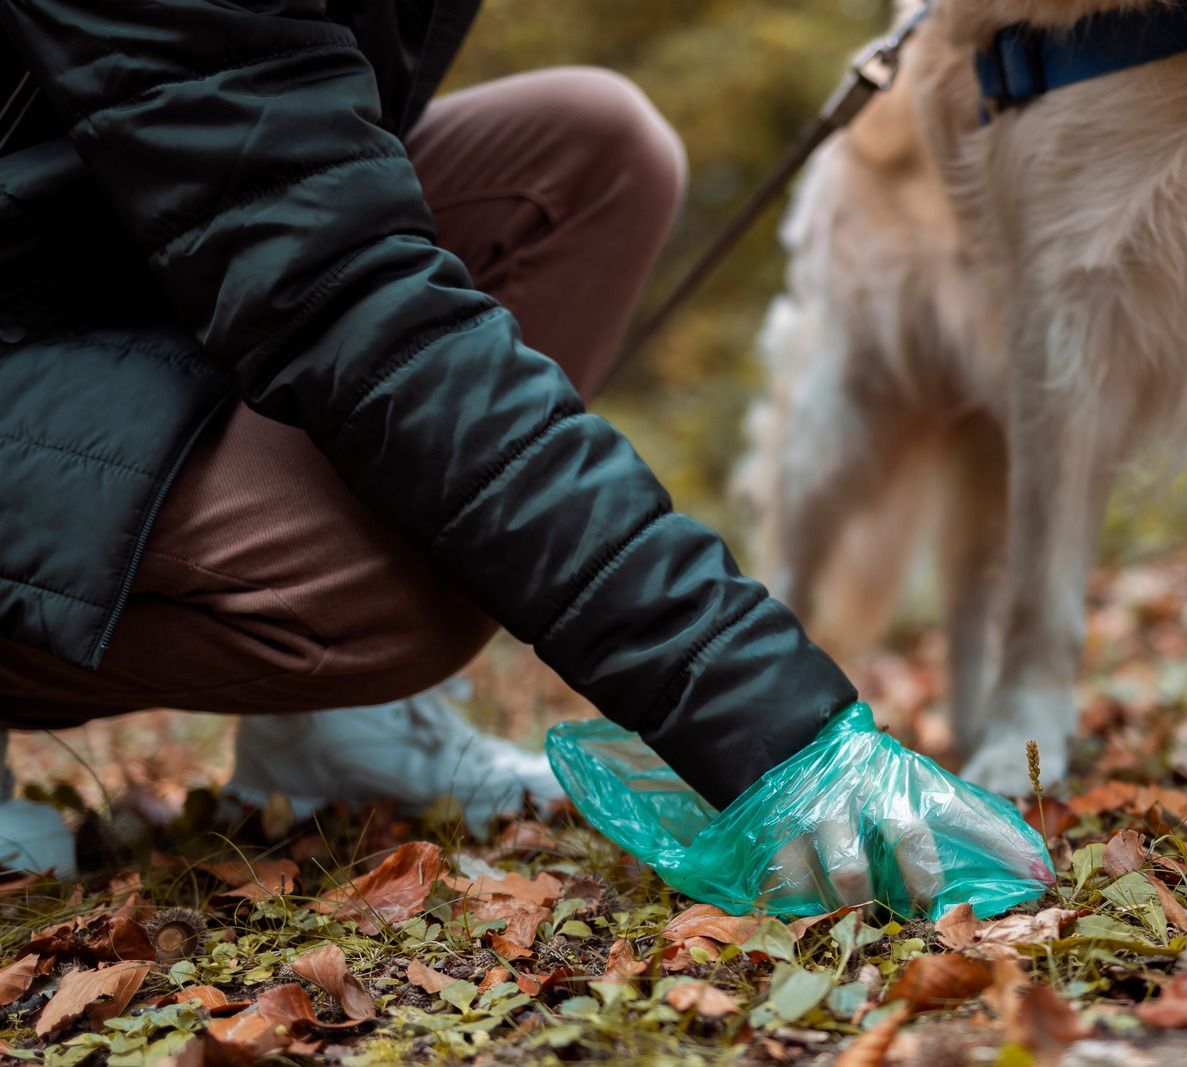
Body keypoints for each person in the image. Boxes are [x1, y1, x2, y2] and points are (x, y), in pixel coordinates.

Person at [0, 0, 1043, 907]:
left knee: (596, 149)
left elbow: (279, 164)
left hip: (93, 254)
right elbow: (341, 292)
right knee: (385, 591)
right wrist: (768, 720)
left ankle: (340, 736)